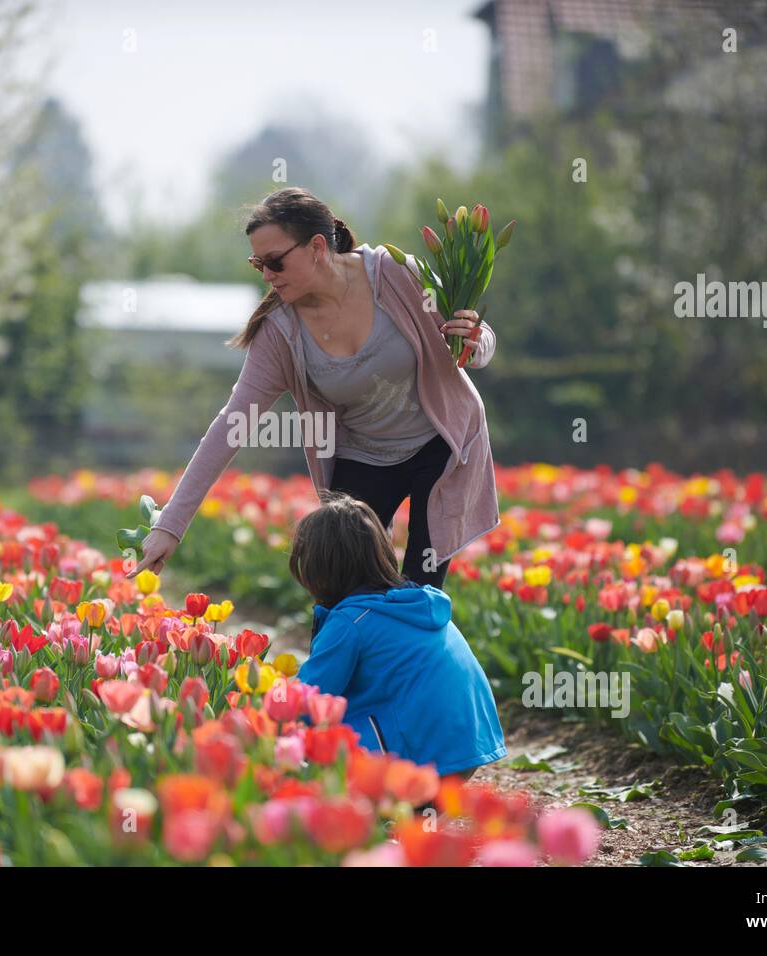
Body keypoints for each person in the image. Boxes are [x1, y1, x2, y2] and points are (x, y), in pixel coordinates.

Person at [125, 186, 500, 591]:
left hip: (438, 442)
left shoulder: (398, 274)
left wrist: (476, 342)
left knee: (420, 592)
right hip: (363, 456)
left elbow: (477, 338)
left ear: (317, 247)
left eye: (275, 262)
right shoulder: (281, 334)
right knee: (341, 591)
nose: (267, 276)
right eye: (258, 264)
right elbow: (233, 424)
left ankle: (416, 653)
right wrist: (172, 525)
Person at [291, 489, 506, 780]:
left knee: (312, 743)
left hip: (424, 760)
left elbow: (307, 700)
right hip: (467, 750)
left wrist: (255, 705)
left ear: (318, 568)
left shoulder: (350, 621)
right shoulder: (416, 603)